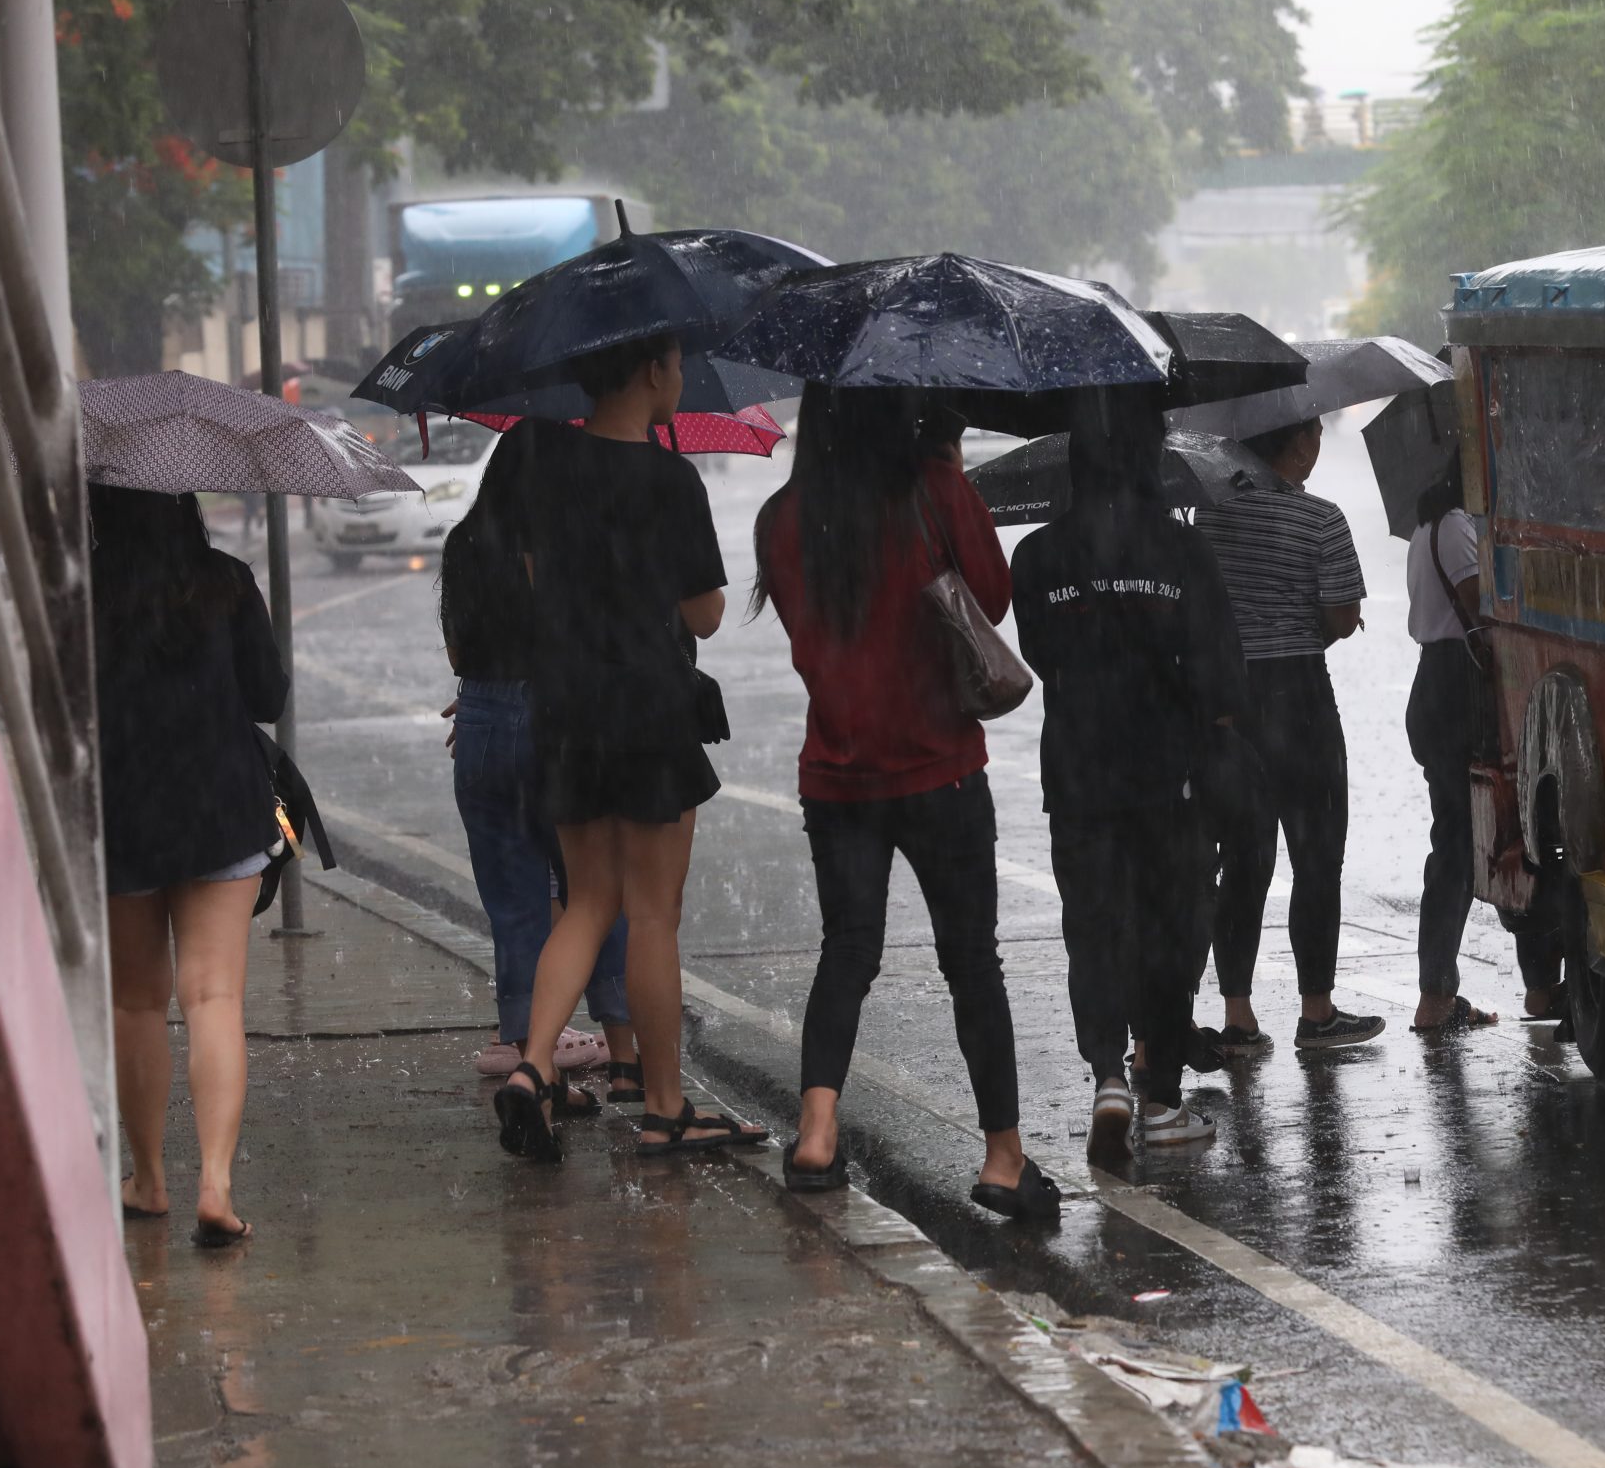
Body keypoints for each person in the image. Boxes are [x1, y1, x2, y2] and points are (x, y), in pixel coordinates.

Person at [754, 385, 1055, 1220]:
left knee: (847, 951)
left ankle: (816, 1133)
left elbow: (812, 632)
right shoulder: (931, 487)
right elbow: (989, 599)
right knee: (971, 963)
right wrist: (949, 471)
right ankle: (1003, 1159)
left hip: (839, 774)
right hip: (941, 769)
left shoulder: (782, 518)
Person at [487, 335, 764, 1160]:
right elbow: (707, 613)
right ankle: (667, 1106)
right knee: (650, 913)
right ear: (652, 371)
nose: (680, 377)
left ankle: (533, 1068)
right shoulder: (671, 478)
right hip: (647, 706)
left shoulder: (547, 472)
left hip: (568, 708)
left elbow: (541, 585)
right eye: (675, 363)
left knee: (587, 900)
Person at [1013, 394, 1246, 1159]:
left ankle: (1108, 1073)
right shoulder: (1183, 553)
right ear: (1153, 456)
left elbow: (1046, 660)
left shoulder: (1038, 556)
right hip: (1168, 778)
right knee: (1170, 930)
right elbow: (1222, 686)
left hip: (1078, 773)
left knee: (1094, 925)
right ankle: (1161, 1099)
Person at [93, 485, 286, 1248]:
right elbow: (268, 696)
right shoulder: (227, 580)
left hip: (123, 809)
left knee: (138, 1005)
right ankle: (216, 1182)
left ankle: (148, 1179)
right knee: (213, 998)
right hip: (219, 804)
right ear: (182, 502)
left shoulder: (78, 587)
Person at [437, 462, 637, 1098]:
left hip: (482, 720)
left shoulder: (465, 543)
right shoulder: (572, 537)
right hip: (559, 717)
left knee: (514, 905)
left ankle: (537, 1069)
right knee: (598, 891)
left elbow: (459, 655)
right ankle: (629, 1059)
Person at [1195, 416, 1385, 1053]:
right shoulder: (1321, 520)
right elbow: (1338, 617)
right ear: (1296, 444)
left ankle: (1238, 1016)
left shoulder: (1210, 518)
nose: (1318, 453)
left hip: (1230, 702)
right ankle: (1316, 1010)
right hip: (1299, 698)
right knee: (1316, 856)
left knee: (1242, 862)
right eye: (1315, 441)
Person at [1402, 464, 1506, 1032]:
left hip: (1434, 685)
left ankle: (1444, 991)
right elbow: (1480, 605)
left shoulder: (1425, 529)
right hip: (1455, 688)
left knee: (1463, 838)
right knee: (1459, 845)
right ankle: (1436, 994)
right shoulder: (1455, 527)